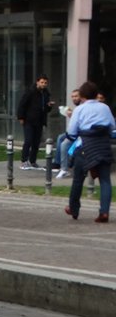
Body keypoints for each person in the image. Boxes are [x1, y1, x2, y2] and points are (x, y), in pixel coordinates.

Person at [64, 80, 115, 223]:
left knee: (78, 178)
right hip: (103, 145)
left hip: (86, 145)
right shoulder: (105, 108)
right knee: (105, 180)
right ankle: (104, 211)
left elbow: (72, 132)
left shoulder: (80, 109)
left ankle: (74, 208)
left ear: (82, 95)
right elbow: (112, 127)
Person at [16, 74, 55, 170]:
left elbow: (45, 109)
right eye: (42, 82)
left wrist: (49, 106)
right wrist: (21, 117)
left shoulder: (46, 93)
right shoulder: (30, 92)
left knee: (36, 142)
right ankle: (24, 161)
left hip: (40, 121)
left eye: (45, 83)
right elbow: (22, 105)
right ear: (37, 82)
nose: (44, 84)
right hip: (29, 120)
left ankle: (32, 161)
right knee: (28, 140)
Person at [53, 88, 82, 178]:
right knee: (60, 137)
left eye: (76, 96)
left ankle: (64, 169)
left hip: (80, 135)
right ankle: (58, 162)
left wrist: (72, 115)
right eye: (72, 97)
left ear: (81, 96)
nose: (74, 98)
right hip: (74, 133)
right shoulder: (77, 107)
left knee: (64, 144)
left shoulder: (82, 107)